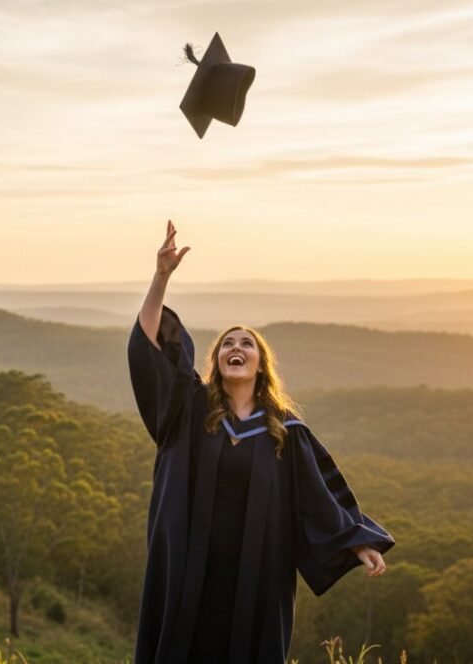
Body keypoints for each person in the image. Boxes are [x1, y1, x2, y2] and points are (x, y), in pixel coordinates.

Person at [128, 220, 395, 664]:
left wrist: (358, 542)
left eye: (246, 344)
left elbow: (318, 497)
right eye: (227, 343)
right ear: (216, 361)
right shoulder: (190, 411)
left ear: (260, 363)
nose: (236, 347)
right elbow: (150, 345)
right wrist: (161, 278)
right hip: (190, 570)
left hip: (254, 577)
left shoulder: (285, 433)